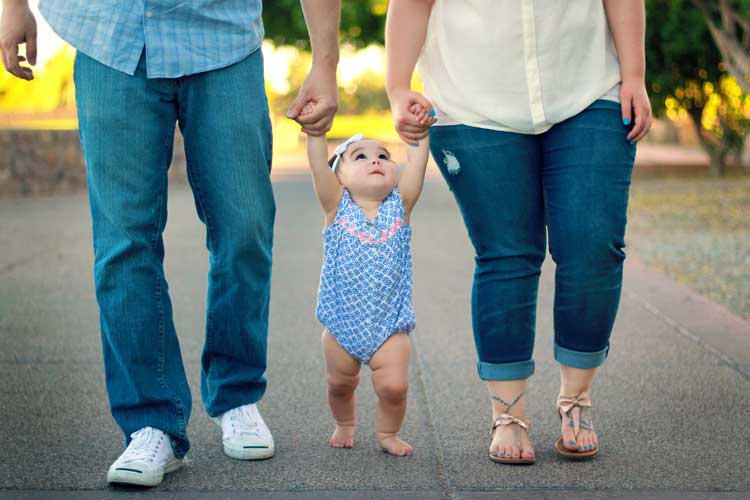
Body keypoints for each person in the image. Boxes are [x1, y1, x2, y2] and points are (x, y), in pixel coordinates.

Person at [0, 0, 339, 486]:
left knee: (245, 225)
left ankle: (236, 393)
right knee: (123, 243)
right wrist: (14, 7)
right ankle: (150, 421)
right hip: (109, 35)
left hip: (222, 38)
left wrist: (325, 62)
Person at [386, 0, 652, 463]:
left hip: (589, 88)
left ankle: (576, 400)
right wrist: (396, 88)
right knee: (506, 254)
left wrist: (634, 73)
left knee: (593, 243)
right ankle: (507, 413)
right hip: (471, 100)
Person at [301, 99, 433, 456]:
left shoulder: (400, 207)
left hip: (389, 326)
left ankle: (388, 432)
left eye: (383, 156)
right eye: (360, 156)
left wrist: (418, 137)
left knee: (394, 388)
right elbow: (318, 168)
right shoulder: (336, 208)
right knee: (340, 383)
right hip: (341, 325)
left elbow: (417, 166)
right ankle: (345, 422)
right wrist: (316, 133)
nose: (375, 159)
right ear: (340, 178)